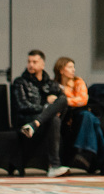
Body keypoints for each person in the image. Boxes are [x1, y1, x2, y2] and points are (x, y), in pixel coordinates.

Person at [12, 50, 69, 178]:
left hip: (39, 122)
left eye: (34, 62)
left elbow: (62, 104)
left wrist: (51, 108)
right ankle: (54, 166)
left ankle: (34, 125)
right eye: (29, 62)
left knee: (62, 101)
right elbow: (22, 106)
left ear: (43, 64)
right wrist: (46, 107)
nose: (31, 65)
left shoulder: (51, 84)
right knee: (53, 119)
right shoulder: (20, 82)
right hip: (26, 119)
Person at [53, 57, 104, 175]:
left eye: (73, 67)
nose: (73, 70)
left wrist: (64, 101)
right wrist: (66, 101)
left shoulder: (78, 81)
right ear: (61, 70)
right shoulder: (54, 85)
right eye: (70, 67)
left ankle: (84, 153)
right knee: (93, 122)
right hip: (66, 120)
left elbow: (83, 100)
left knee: (87, 116)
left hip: (79, 117)